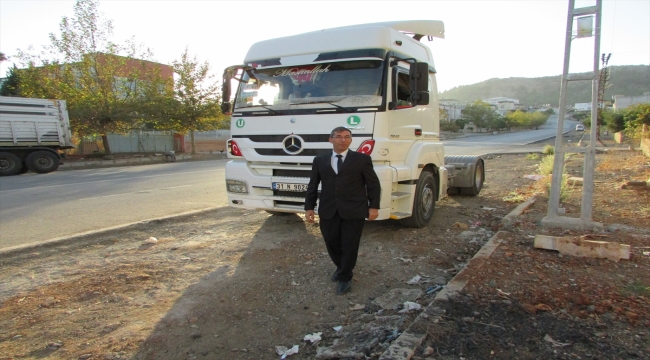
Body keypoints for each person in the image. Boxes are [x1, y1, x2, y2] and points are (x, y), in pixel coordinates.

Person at [304, 127, 381, 295]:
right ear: (330, 139)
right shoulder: (320, 160)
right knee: (331, 242)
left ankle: (345, 277)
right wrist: (309, 207)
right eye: (338, 137)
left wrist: (373, 206)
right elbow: (313, 184)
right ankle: (341, 266)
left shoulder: (362, 159)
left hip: (355, 210)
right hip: (328, 209)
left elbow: (373, 184)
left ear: (351, 140)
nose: (343, 140)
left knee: (350, 244)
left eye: (347, 137)